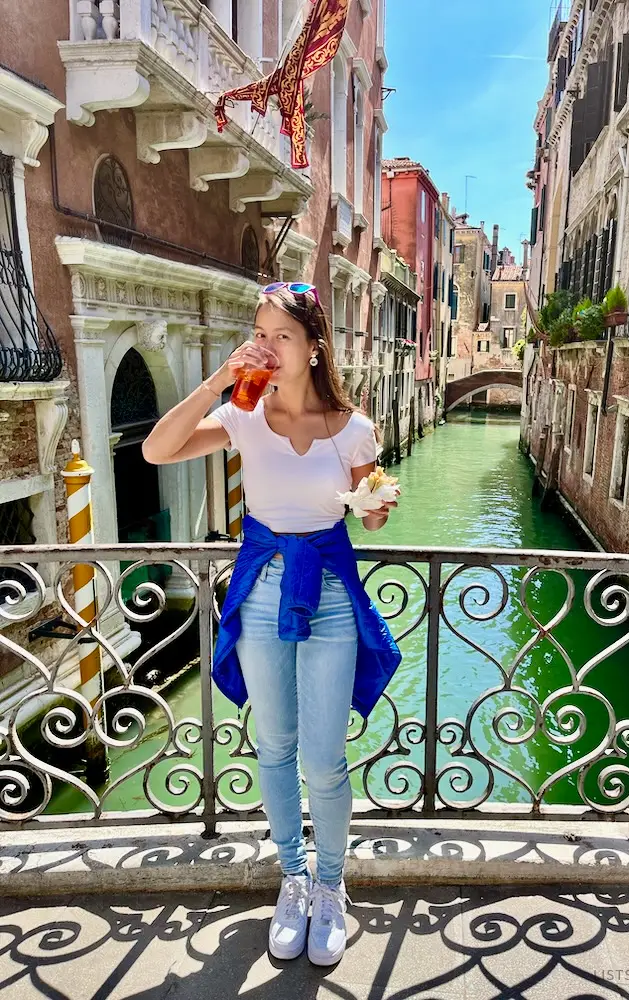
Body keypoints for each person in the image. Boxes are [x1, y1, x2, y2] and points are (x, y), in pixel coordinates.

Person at [142, 282, 402, 967]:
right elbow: (157, 451)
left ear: (314, 347)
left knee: (324, 755)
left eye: (282, 335)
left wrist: (379, 504)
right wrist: (218, 381)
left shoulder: (353, 428)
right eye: (260, 332)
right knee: (275, 745)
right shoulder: (242, 416)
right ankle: (292, 876)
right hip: (259, 591)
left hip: (332, 595)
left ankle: (330, 883)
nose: (267, 344)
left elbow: (370, 506)